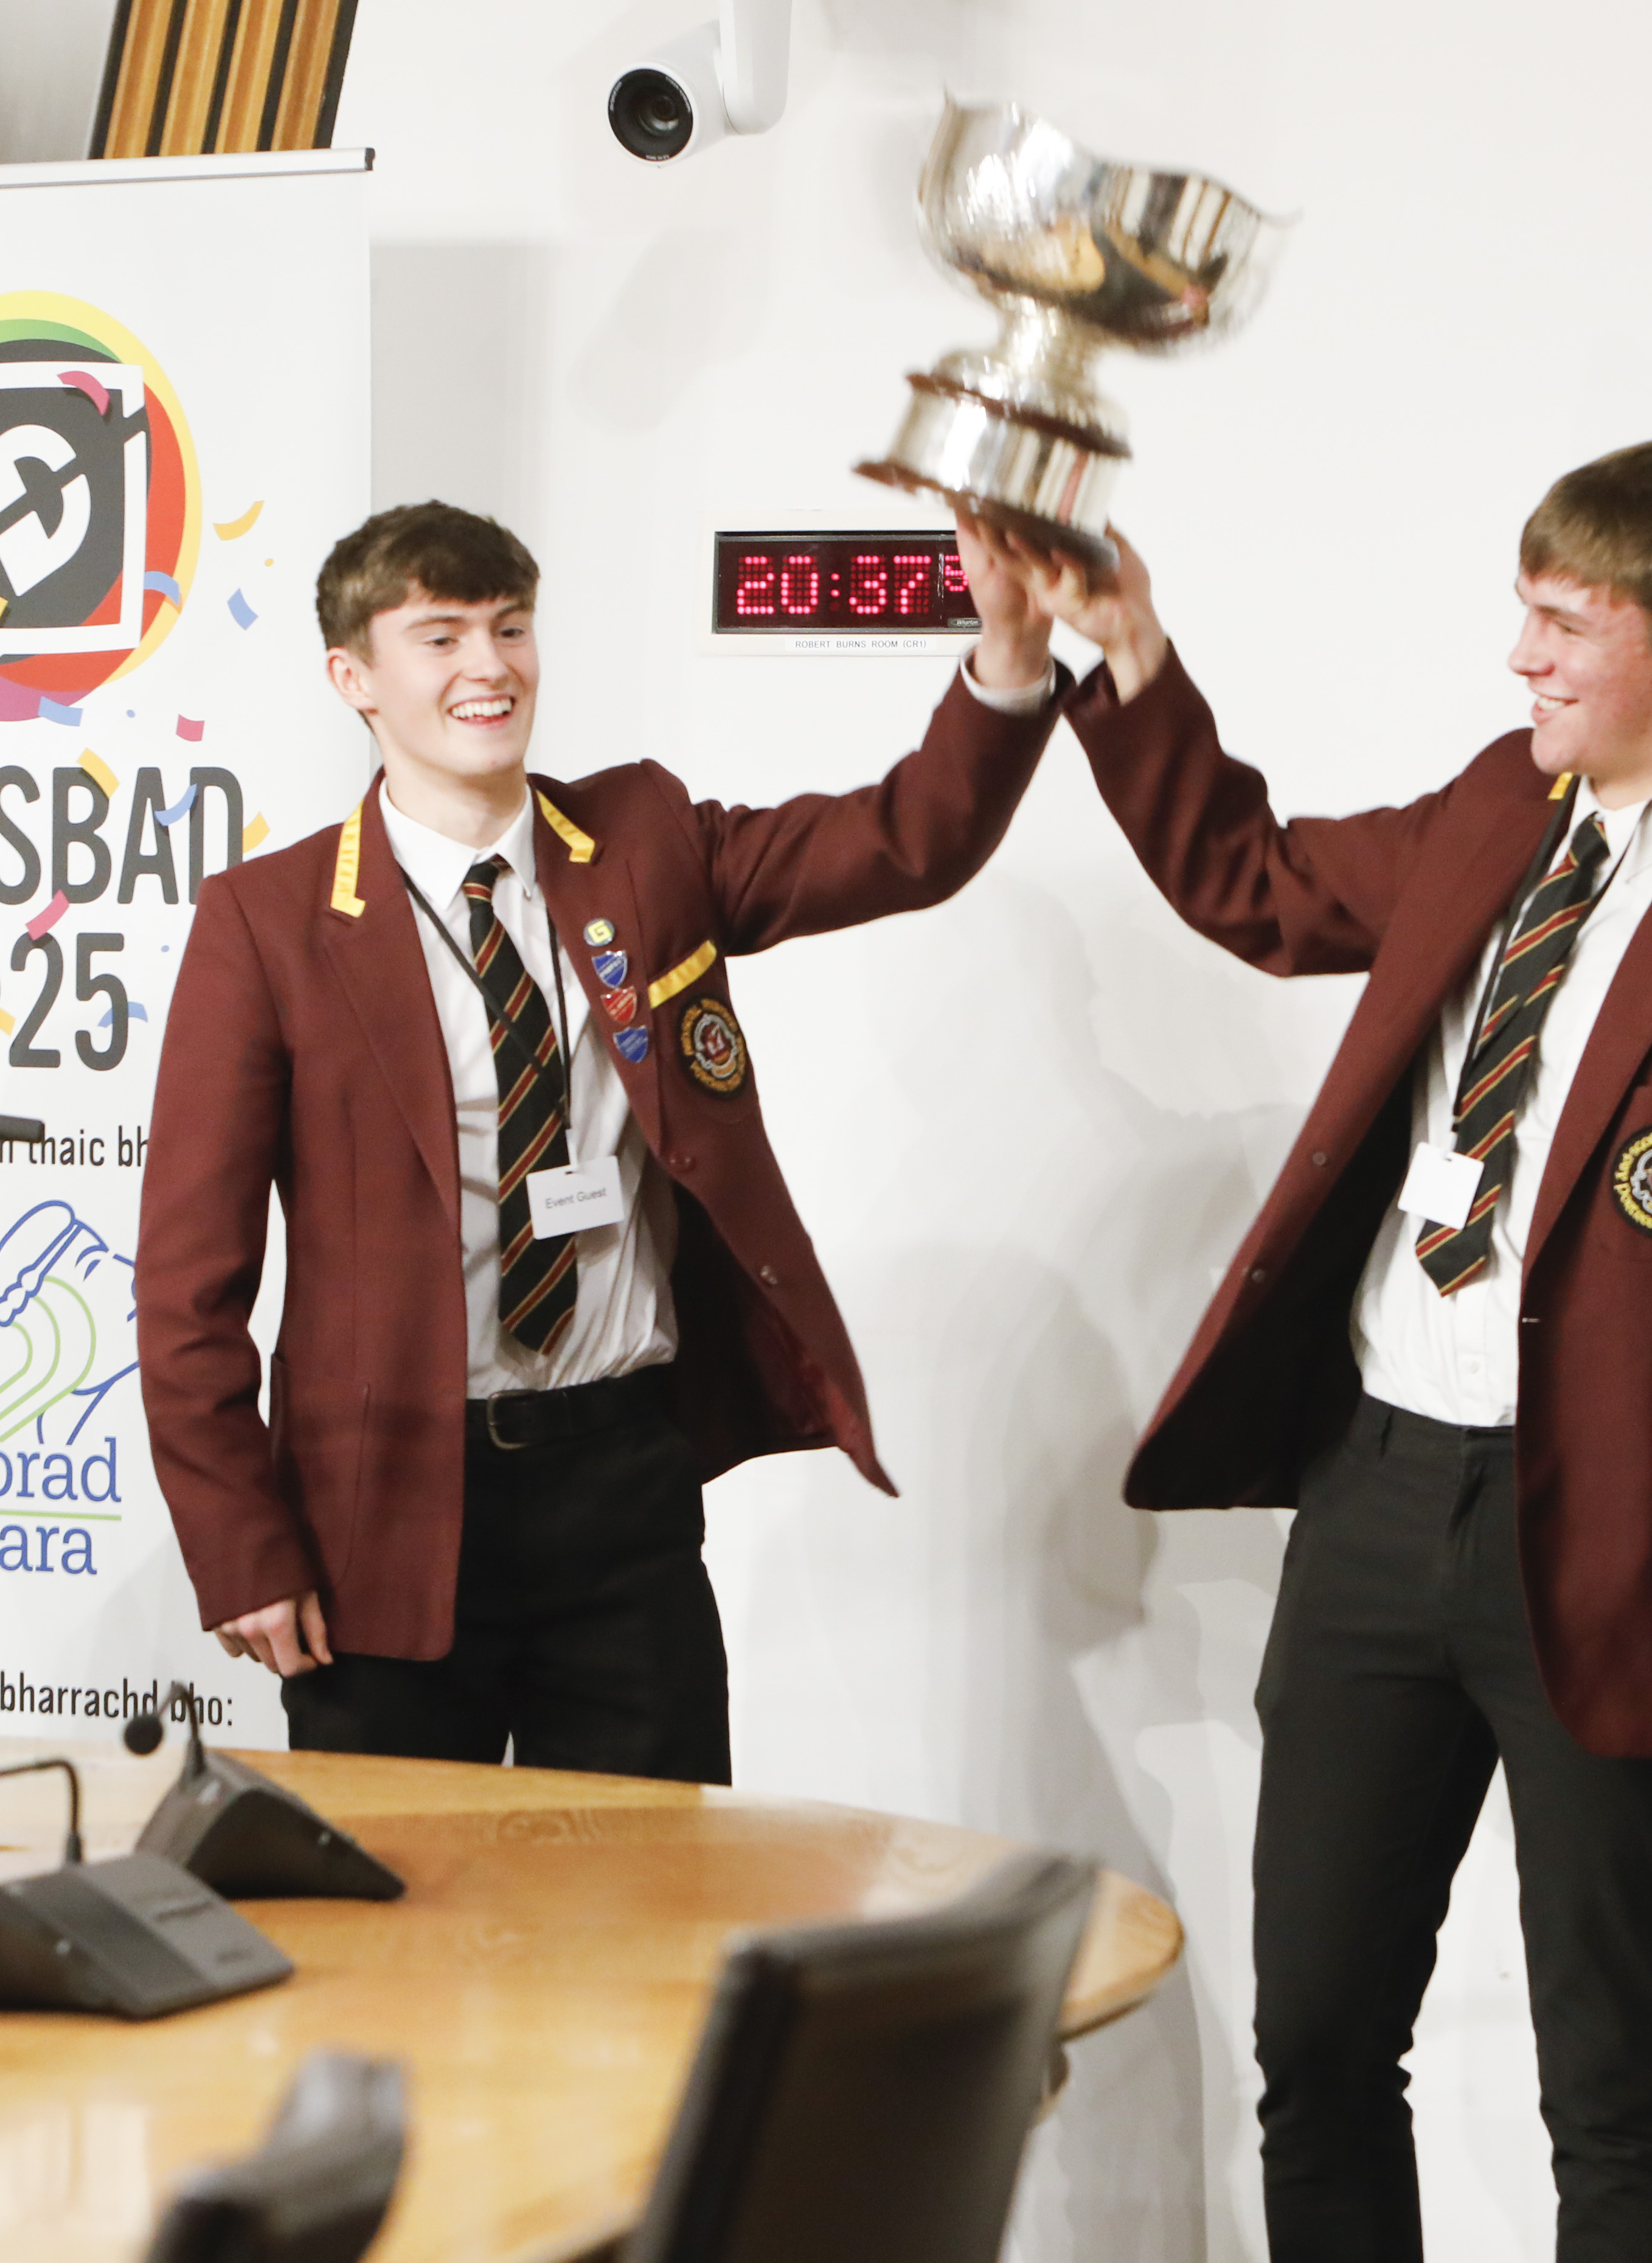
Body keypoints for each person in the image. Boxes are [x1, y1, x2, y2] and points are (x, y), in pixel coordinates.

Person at [980, 438, 1652, 2260]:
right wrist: (1128, 653)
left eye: (1569, 625)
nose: (1524, 658)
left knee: (1612, 2081)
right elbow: (1255, 886)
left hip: (1615, 1555)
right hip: (1376, 1501)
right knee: (1320, 2038)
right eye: (1528, 610)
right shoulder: (1498, 815)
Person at [137, 501, 1060, 1780]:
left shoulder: (642, 839)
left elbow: (905, 839)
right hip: (384, 1509)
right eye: (440, 634)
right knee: (399, 1941)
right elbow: (188, 1282)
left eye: (512, 627)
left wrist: (1008, 660)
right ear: (353, 676)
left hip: (620, 1486)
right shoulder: (270, 919)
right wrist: (241, 1540)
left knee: (651, 1924)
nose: (489, 665)